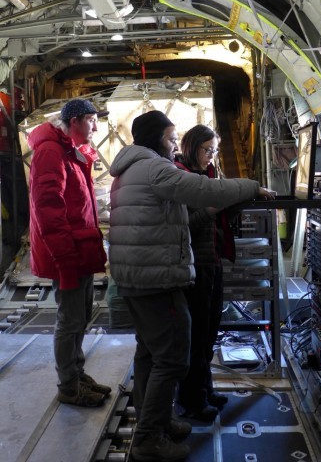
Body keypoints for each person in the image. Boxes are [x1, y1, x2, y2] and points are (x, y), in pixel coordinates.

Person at [109, 110, 273, 462]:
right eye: (170, 139)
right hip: (156, 279)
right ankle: (149, 438)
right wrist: (250, 186)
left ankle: (158, 420)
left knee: (150, 354)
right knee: (173, 355)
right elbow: (202, 190)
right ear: (155, 140)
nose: (174, 146)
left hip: (135, 276)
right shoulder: (154, 167)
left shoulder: (128, 168)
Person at [28, 98, 111, 407]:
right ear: (74, 121)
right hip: (68, 254)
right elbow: (48, 209)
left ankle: (76, 373)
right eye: (91, 120)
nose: (96, 126)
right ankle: (68, 386)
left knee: (81, 316)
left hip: (80, 248)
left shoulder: (68, 151)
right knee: (71, 319)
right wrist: (64, 259)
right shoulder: (50, 152)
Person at [175, 124, 238, 421]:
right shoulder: (182, 176)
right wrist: (213, 209)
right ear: (192, 146)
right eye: (207, 150)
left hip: (212, 259)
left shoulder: (209, 174)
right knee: (197, 333)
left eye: (214, 150)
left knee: (210, 329)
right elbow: (183, 223)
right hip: (195, 263)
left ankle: (205, 388)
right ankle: (192, 400)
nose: (211, 156)